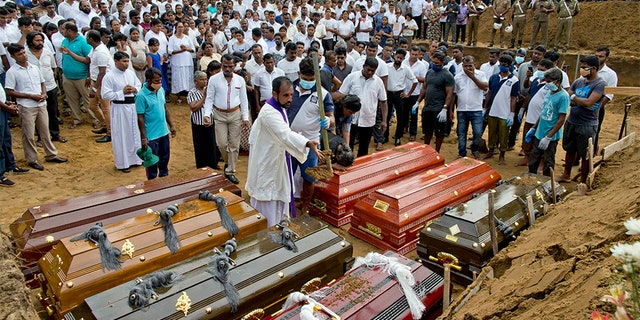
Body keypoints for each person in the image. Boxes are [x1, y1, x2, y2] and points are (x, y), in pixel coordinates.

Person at [245, 76, 322, 227]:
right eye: (286, 95)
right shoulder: (269, 113)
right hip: (267, 163)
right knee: (268, 203)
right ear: (274, 94)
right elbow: (285, 134)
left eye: (292, 95)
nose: (290, 99)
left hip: (276, 158)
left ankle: (280, 228)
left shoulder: (279, 107)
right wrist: (306, 142)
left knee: (278, 200)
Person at [5, 43, 67, 171]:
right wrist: (29, 96)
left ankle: (51, 154)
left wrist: (43, 94)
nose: (23, 56)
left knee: (45, 131)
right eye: (19, 54)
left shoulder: (34, 67)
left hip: (40, 103)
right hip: (26, 106)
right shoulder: (12, 72)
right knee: (28, 134)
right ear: (13, 56)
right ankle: (32, 159)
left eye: (23, 52)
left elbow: (42, 83)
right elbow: (9, 91)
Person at [288, 56, 334, 214]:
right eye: (306, 78)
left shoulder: (323, 94)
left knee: (309, 177)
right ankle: (287, 203)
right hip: (290, 142)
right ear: (299, 73)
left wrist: (329, 121)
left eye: (312, 79)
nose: (309, 81)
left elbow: (331, 116)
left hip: (311, 145)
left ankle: (305, 205)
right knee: (286, 175)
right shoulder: (289, 89)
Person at [557, 56, 606, 185]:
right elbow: (568, 97)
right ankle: (566, 174)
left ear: (594, 69)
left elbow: (589, 102)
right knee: (570, 149)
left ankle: (583, 180)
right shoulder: (579, 81)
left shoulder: (600, 84)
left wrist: (575, 98)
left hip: (587, 124)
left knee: (585, 153)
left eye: (585, 67)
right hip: (572, 121)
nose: (582, 70)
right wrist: (579, 101)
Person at [203, 54, 250, 185]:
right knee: (222, 144)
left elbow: (244, 100)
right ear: (221, 65)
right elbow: (209, 99)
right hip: (219, 114)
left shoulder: (240, 80)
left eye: (230, 66)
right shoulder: (213, 79)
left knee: (234, 145)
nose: (227, 69)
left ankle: (230, 171)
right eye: (225, 66)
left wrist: (245, 117)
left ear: (234, 66)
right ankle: (228, 162)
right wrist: (207, 115)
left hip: (235, 114)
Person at [335, 56, 388, 157]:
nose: (370, 72)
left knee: (364, 150)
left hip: (368, 120)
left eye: (373, 71)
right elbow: (341, 95)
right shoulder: (352, 77)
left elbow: (383, 101)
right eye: (368, 69)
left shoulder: (378, 82)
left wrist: (384, 120)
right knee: (347, 146)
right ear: (363, 66)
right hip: (350, 120)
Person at [102, 51, 144, 173]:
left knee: (134, 133)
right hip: (119, 108)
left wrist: (135, 89)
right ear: (116, 61)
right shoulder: (109, 76)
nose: (126, 64)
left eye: (127, 61)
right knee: (122, 135)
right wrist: (121, 93)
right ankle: (123, 163)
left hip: (132, 107)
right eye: (124, 61)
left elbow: (139, 85)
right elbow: (105, 94)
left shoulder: (131, 73)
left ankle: (137, 159)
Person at [136, 67, 177, 180]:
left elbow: (165, 109)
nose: (159, 83)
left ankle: (164, 180)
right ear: (148, 80)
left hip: (163, 132)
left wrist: (171, 125)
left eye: (160, 81)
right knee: (152, 162)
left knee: (165, 158)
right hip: (151, 135)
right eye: (156, 81)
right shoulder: (141, 96)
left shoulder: (161, 91)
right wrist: (144, 138)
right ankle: (152, 184)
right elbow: (140, 117)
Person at [25, 31, 66, 144]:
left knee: (52, 112)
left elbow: (54, 68)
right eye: (37, 40)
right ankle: (40, 138)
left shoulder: (47, 52)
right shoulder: (26, 54)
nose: (40, 43)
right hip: (34, 89)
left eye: (41, 40)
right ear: (30, 42)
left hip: (50, 86)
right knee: (38, 114)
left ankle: (55, 134)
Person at [527, 67, 568, 176]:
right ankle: (531, 179)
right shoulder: (549, 92)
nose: (547, 84)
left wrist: (548, 137)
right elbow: (543, 112)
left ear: (557, 81)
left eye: (549, 82)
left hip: (551, 136)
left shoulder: (563, 96)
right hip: (539, 132)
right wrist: (533, 128)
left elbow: (561, 119)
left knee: (548, 162)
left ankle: (547, 184)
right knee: (533, 159)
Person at [60, 22, 98, 129]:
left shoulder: (83, 42)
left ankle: (95, 119)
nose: (61, 31)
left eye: (63, 29)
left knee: (88, 100)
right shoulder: (64, 41)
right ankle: (77, 119)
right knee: (72, 99)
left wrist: (88, 76)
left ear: (69, 31)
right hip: (67, 76)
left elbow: (91, 60)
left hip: (82, 77)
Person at [517, 58, 554, 167]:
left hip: (542, 118)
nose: (540, 71)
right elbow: (528, 94)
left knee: (539, 140)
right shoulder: (536, 81)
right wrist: (522, 108)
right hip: (530, 115)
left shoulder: (550, 86)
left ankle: (541, 162)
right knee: (527, 139)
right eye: (539, 69)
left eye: (543, 70)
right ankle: (527, 158)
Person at [483, 54, 519, 165]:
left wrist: (512, 114)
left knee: (504, 134)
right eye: (501, 64)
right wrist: (485, 108)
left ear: (509, 66)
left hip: (505, 112)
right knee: (492, 132)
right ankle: (490, 151)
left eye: (505, 65)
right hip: (493, 110)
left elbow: (513, 98)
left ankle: (502, 155)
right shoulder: (494, 77)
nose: (502, 66)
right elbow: (489, 93)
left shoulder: (514, 80)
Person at [417, 50, 454, 153]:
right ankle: (426, 149)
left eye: (437, 63)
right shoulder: (429, 72)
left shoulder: (448, 75)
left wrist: (445, 109)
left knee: (439, 132)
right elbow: (424, 88)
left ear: (443, 62)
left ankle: (437, 151)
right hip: (428, 107)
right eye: (433, 62)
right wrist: (418, 102)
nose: (434, 65)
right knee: (427, 131)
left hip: (439, 109)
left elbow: (450, 93)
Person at [455, 55, 487, 159]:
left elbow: (484, 87)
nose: (468, 68)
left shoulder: (481, 74)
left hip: (476, 109)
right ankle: (462, 153)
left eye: (470, 66)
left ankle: (475, 149)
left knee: (477, 133)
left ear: (475, 65)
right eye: (465, 66)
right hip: (462, 109)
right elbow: (454, 93)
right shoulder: (458, 77)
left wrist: (472, 76)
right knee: (461, 133)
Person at [187, 70, 220, 169]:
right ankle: (201, 166)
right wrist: (204, 97)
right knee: (200, 146)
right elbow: (194, 108)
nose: (205, 82)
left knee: (212, 145)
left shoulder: (210, 89)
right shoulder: (192, 93)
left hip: (211, 122)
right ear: (196, 81)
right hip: (198, 123)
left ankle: (212, 164)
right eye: (202, 79)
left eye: (206, 79)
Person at [85, 30, 113, 143]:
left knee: (106, 108)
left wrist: (95, 87)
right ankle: (105, 126)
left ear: (91, 39)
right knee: (92, 106)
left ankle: (110, 133)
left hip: (102, 83)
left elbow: (103, 72)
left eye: (87, 37)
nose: (86, 39)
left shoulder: (100, 52)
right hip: (96, 81)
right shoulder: (95, 49)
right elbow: (87, 61)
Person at [0, 82, 29, 186]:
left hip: (2, 109)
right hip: (2, 109)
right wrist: (6, 107)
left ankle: (9, 165)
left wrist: (6, 103)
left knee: (6, 139)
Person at [387, 48, 417, 146]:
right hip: (388, 93)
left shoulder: (406, 69)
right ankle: (385, 136)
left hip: (399, 94)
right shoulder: (387, 67)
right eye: (397, 57)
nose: (399, 59)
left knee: (401, 116)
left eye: (401, 58)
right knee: (386, 115)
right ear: (394, 55)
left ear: (404, 59)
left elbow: (415, 81)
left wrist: (408, 94)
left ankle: (398, 137)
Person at [594, 46, 618, 154]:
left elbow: (609, 95)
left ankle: (590, 158)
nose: (598, 58)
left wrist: (597, 108)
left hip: (598, 108)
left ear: (607, 58)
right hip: (582, 106)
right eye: (596, 56)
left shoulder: (611, 74)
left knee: (594, 133)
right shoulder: (588, 70)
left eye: (601, 56)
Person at [168, 21, 195, 102]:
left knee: (188, 78)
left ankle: (188, 96)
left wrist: (186, 49)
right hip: (177, 62)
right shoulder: (172, 38)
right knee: (178, 78)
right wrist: (180, 50)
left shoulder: (187, 38)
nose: (180, 29)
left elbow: (193, 49)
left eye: (182, 27)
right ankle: (178, 97)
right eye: (179, 27)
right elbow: (170, 51)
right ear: (175, 28)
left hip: (187, 61)